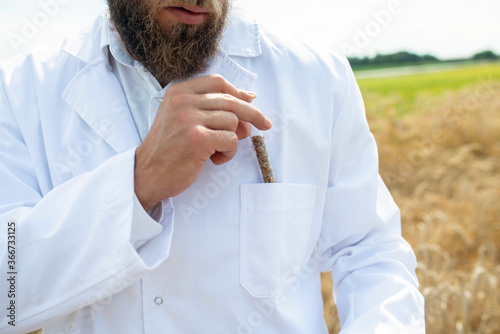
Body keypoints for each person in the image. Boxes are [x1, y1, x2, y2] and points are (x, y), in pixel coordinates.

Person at [0, 0, 425, 333]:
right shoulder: (20, 91)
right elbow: (8, 291)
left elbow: (370, 252)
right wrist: (138, 182)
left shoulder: (316, 78)